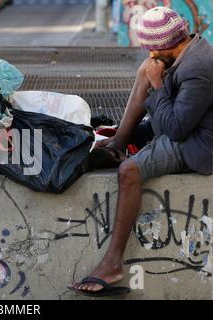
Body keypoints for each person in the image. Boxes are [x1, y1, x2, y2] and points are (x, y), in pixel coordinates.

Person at [70, 6, 213, 296]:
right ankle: (118, 143)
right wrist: (150, 78)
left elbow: (176, 130)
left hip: (199, 143)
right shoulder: (185, 52)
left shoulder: (198, 67)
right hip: (183, 122)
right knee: (143, 76)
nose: (149, 54)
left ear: (165, 46)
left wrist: (158, 83)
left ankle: (112, 264)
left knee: (130, 170)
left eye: (150, 50)